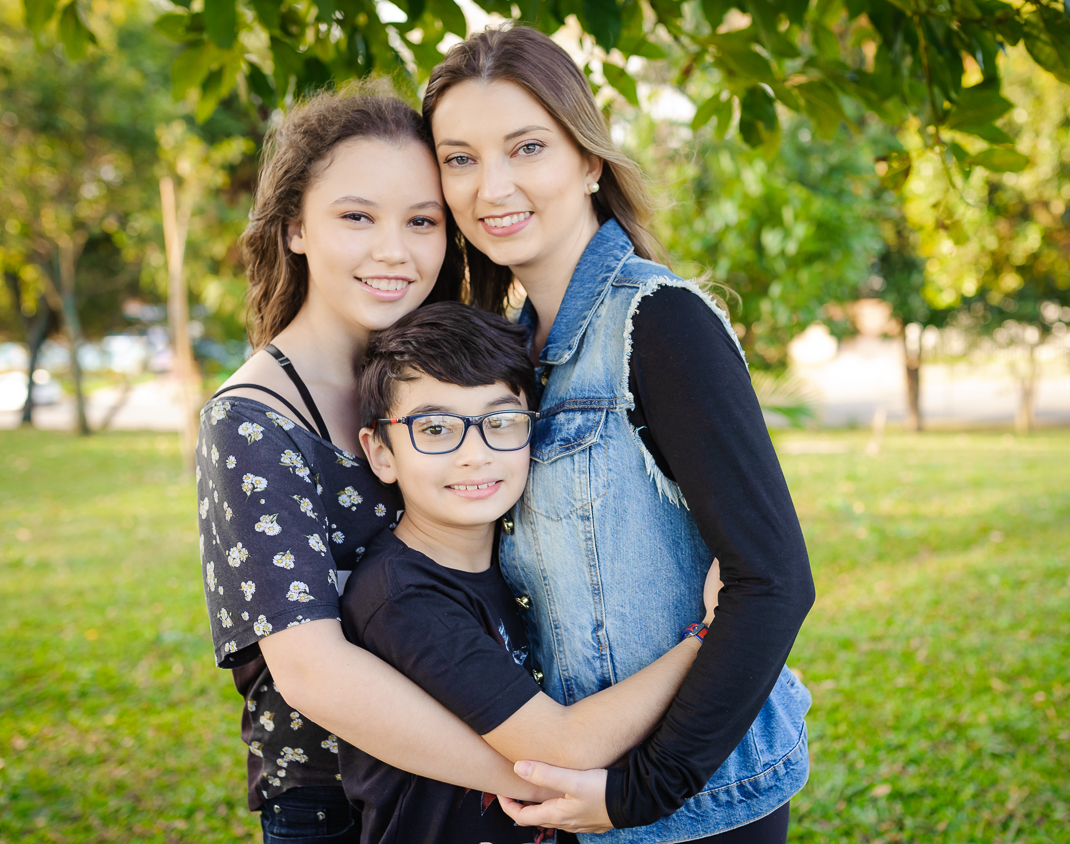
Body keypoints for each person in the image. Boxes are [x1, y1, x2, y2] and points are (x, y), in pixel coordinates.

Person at [424, 26, 817, 843]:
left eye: (526, 147)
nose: (491, 186)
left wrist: (640, 790)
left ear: (589, 160)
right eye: (459, 158)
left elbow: (774, 584)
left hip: (693, 812)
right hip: (579, 804)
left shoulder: (658, 322)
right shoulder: (508, 353)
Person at [196, 83, 560, 844]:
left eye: (422, 221)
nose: (393, 250)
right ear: (295, 226)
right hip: (340, 807)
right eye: (356, 216)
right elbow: (313, 672)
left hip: (484, 776)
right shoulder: (254, 420)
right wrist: (536, 779)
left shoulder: (450, 379)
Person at [341, 302, 720, 843]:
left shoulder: (523, 564)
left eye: (500, 422)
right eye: (436, 428)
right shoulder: (401, 599)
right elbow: (562, 747)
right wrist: (707, 637)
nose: (475, 454)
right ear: (380, 451)